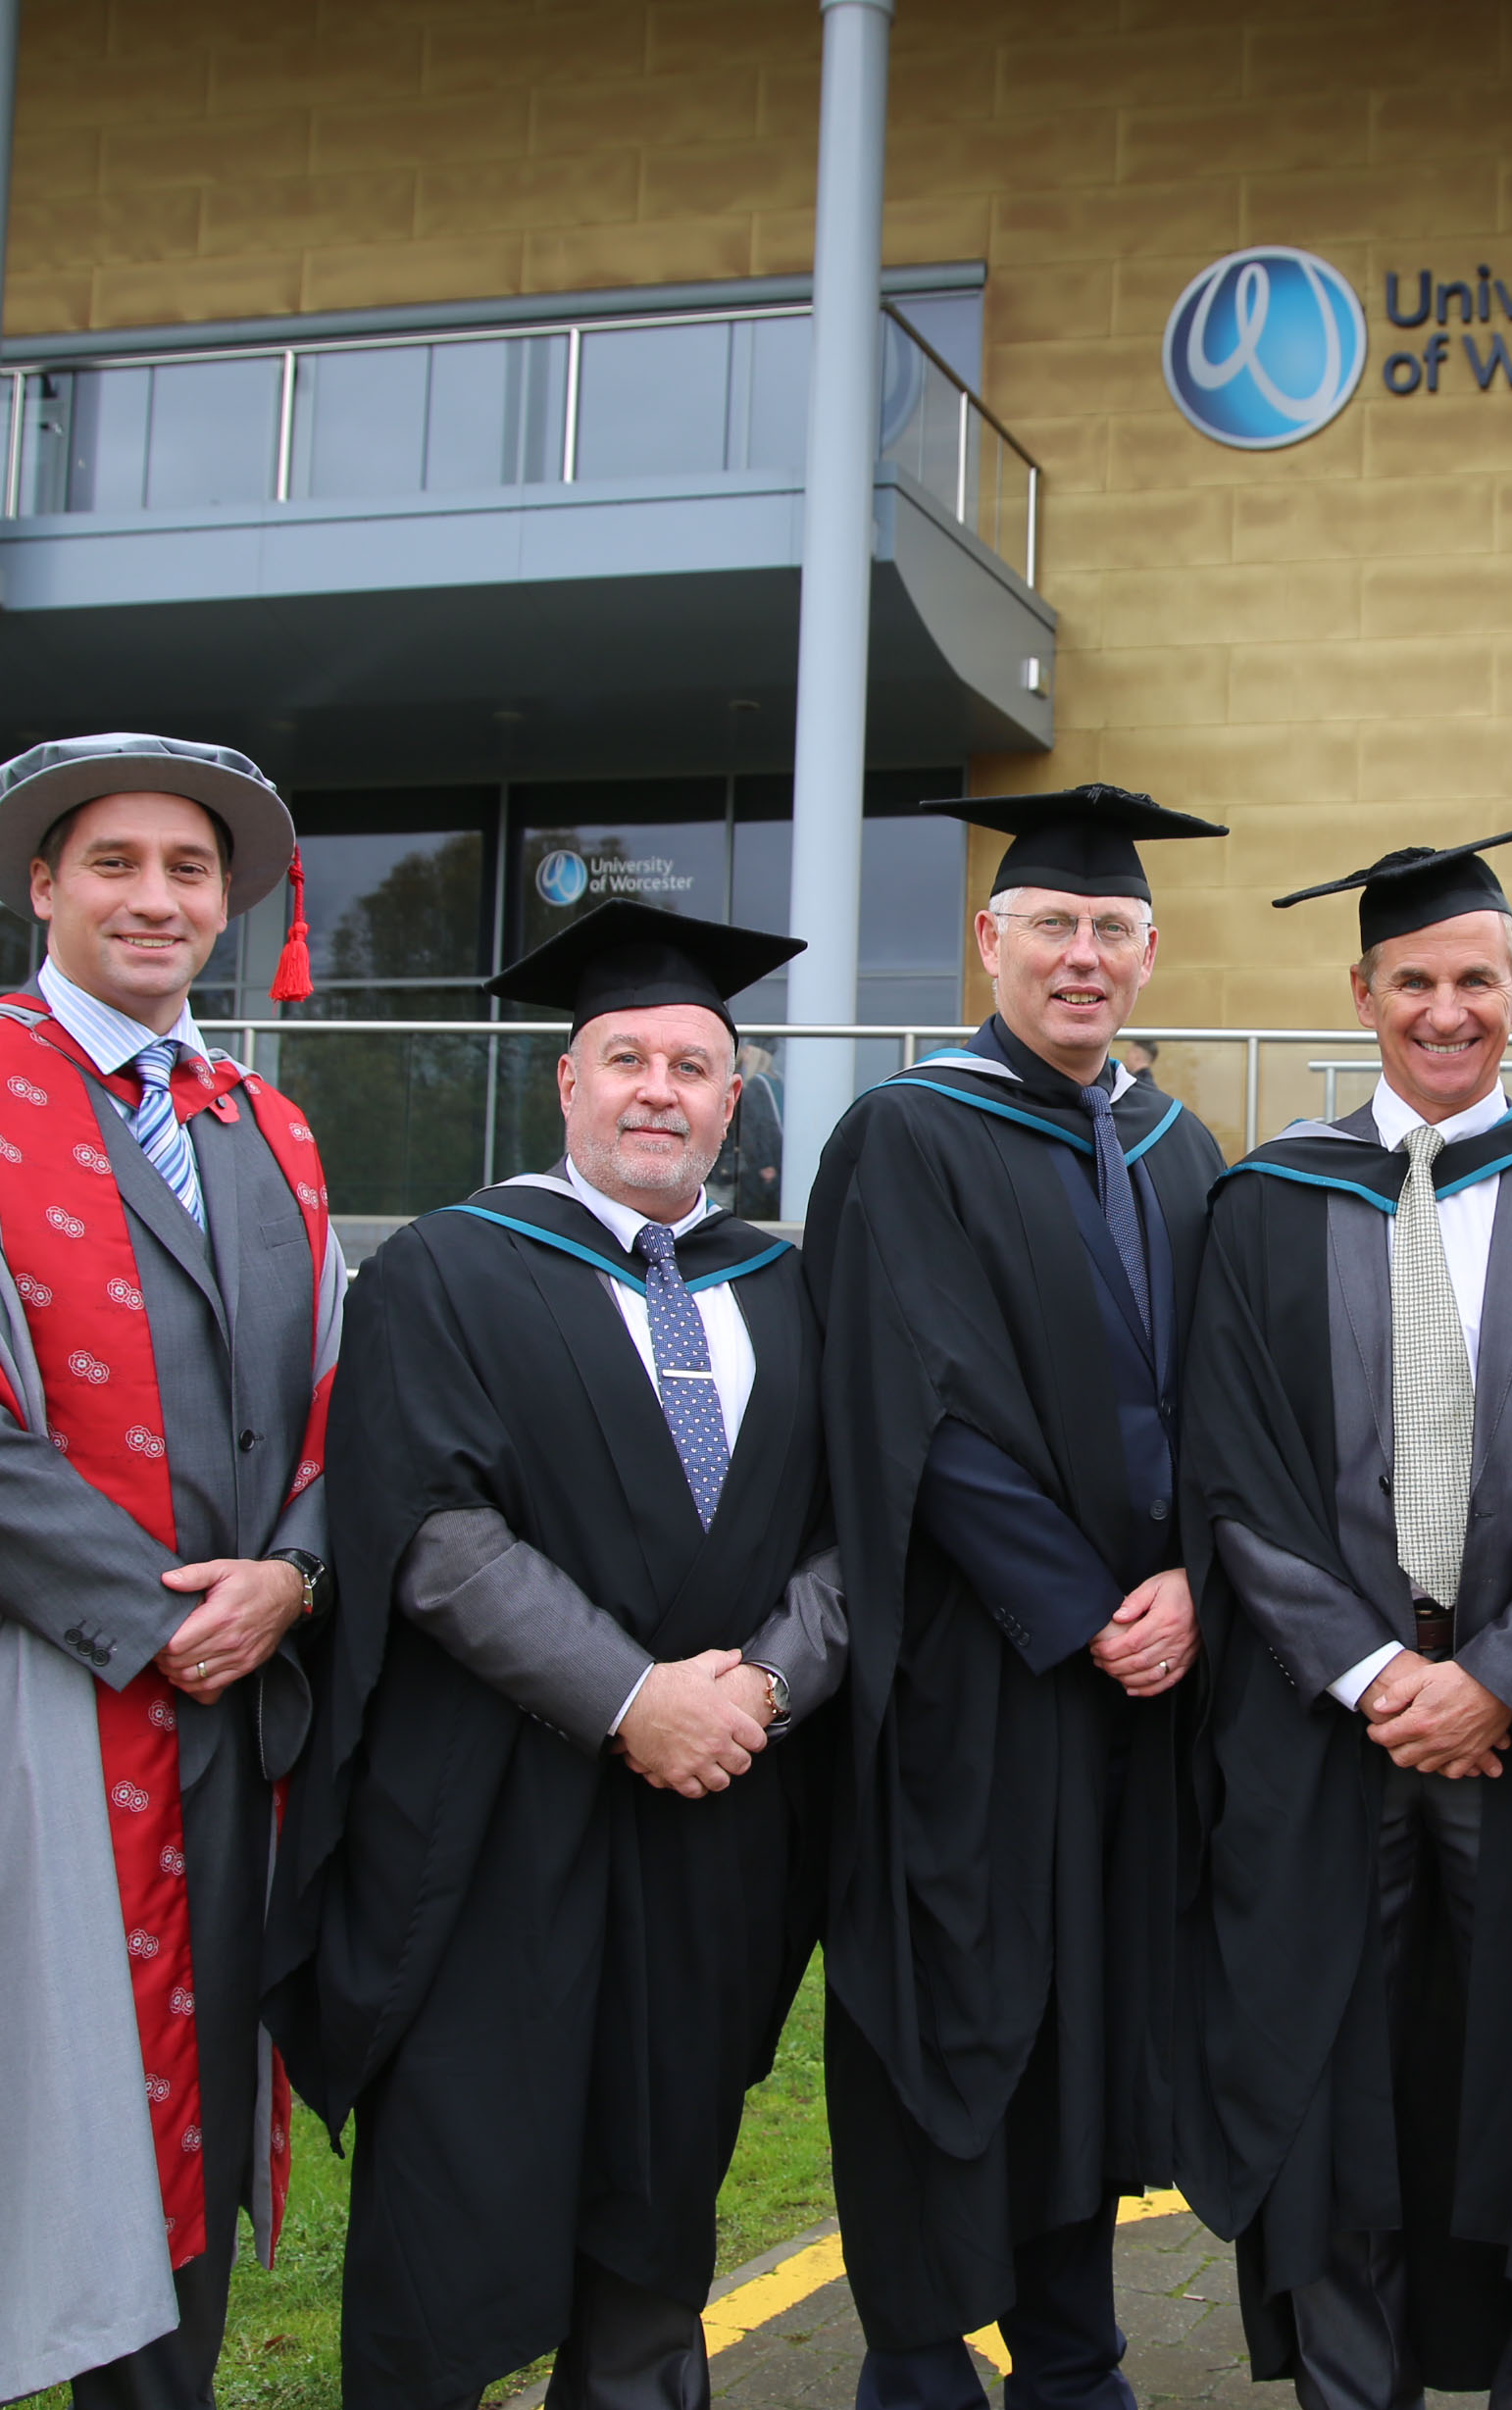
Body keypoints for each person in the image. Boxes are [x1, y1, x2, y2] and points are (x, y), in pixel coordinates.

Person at [266, 900, 842, 2410]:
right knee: (459, 2186)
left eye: (695, 1065)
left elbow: (856, 1537)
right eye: (627, 1057)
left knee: (662, 2194)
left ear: (735, 1096)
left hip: (717, 1817)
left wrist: (768, 1685)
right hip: (497, 1819)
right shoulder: (447, 1270)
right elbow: (430, 1528)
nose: (660, 1088)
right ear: (566, 1081)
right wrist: (631, 1697)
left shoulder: (784, 1287)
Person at [1178, 823, 1512, 2410]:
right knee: (1336, 2088)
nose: (1444, 1008)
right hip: (1327, 1732)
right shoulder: (1264, 1200)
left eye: (1474, 978)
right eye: (1414, 980)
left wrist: (1502, 1681)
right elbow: (1233, 1477)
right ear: (1361, 990)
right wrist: (1379, 1670)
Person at [805, 783, 1230, 2410]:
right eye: (1051, 923)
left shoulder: (1182, 1143)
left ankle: (1073, 2348)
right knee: (947, 2005)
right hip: (977, 1679)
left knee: (1089, 2023)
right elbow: (913, 1402)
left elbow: (1235, 1391)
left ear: (1146, 948)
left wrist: (1191, 1573)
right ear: (990, 940)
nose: (1082, 955)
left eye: (1111, 928)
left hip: (1146, 1675)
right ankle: (915, 2355)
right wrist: (1090, 1601)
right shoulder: (911, 1131)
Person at [0, 733, 343, 2408]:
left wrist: (290, 1576)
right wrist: (156, 1619)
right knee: (48, 2088)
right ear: (43, 883)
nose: (155, 895)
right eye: (115, 861)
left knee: (195, 2083)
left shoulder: (268, 1123)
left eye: (188, 868)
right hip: (44, 1695)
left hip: (231, 1715)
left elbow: (343, 1412)